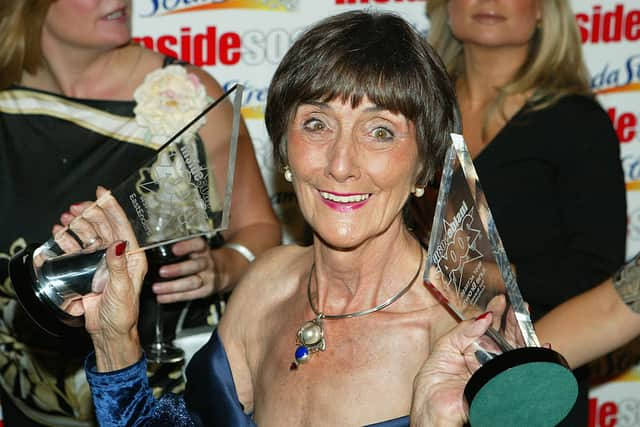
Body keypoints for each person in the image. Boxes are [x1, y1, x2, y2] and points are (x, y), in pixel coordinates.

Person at [73, 10, 496, 426]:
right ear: (284, 152)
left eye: (380, 131)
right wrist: (115, 336)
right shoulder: (265, 286)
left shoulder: (454, 341)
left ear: (424, 166)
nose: (341, 163)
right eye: (316, 124)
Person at [0, 0, 280, 425]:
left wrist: (223, 268)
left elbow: (261, 228)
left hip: (155, 401)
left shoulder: (186, 97)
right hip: (26, 397)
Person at [426, 1, 627, 424]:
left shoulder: (576, 121)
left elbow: (598, 270)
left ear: (542, 11)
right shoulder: (418, 112)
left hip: (536, 379)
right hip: (422, 366)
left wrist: (494, 273)